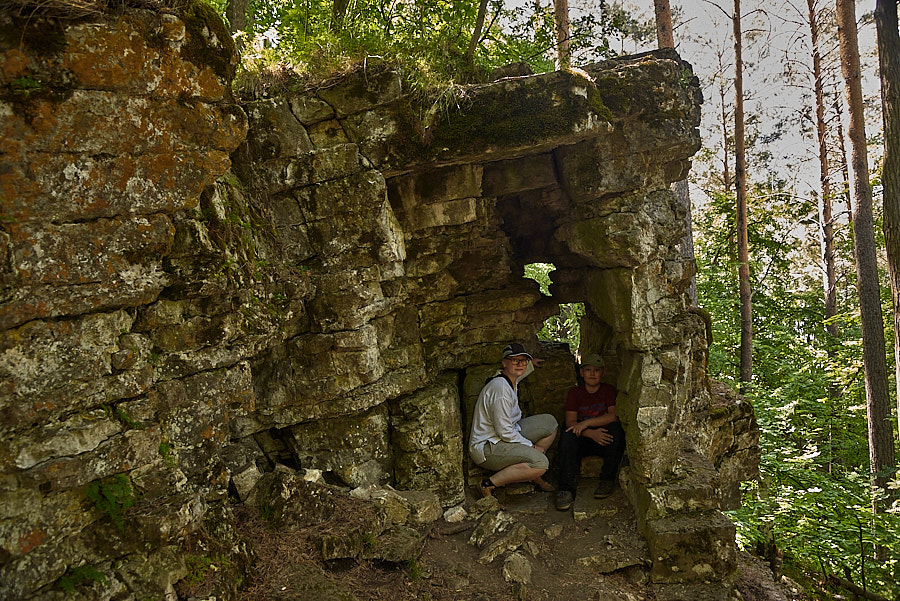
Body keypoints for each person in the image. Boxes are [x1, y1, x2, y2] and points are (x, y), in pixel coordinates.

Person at [468, 343, 558, 497]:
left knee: (550, 423)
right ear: (504, 362)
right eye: (515, 361)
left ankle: (530, 472)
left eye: (524, 360)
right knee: (541, 463)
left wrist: (531, 364)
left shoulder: (508, 378)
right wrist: (531, 446)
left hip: (505, 435)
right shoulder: (500, 389)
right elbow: (504, 431)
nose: (520, 364)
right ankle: (488, 484)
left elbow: (518, 373)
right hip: (488, 447)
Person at [554, 353, 626, 510]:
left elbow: (613, 416)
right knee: (567, 435)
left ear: (603, 373)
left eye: (596, 370)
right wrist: (590, 433)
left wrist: (587, 423)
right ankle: (565, 489)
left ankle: (607, 480)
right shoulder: (575, 393)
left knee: (617, 431)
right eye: (588, 370)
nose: (592, 374)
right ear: (581, 373)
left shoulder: (608, 390)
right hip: (584, 438)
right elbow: (571, 422)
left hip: (603, 438)